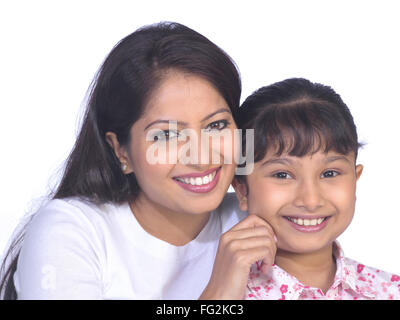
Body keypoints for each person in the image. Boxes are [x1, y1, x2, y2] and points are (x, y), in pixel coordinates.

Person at [0, 22, 276, 300]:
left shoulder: (258, 217)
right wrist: (219, 293)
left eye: (216, 126)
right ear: (120, 150)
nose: (201, 156)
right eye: (167, 135)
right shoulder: (72, 231)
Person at [232, 78, 400, 300]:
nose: (311, 200)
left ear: (355, 180)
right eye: (282, 175)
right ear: (242, 190)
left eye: (329, 173)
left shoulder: (389, 290)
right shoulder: (217, 293)